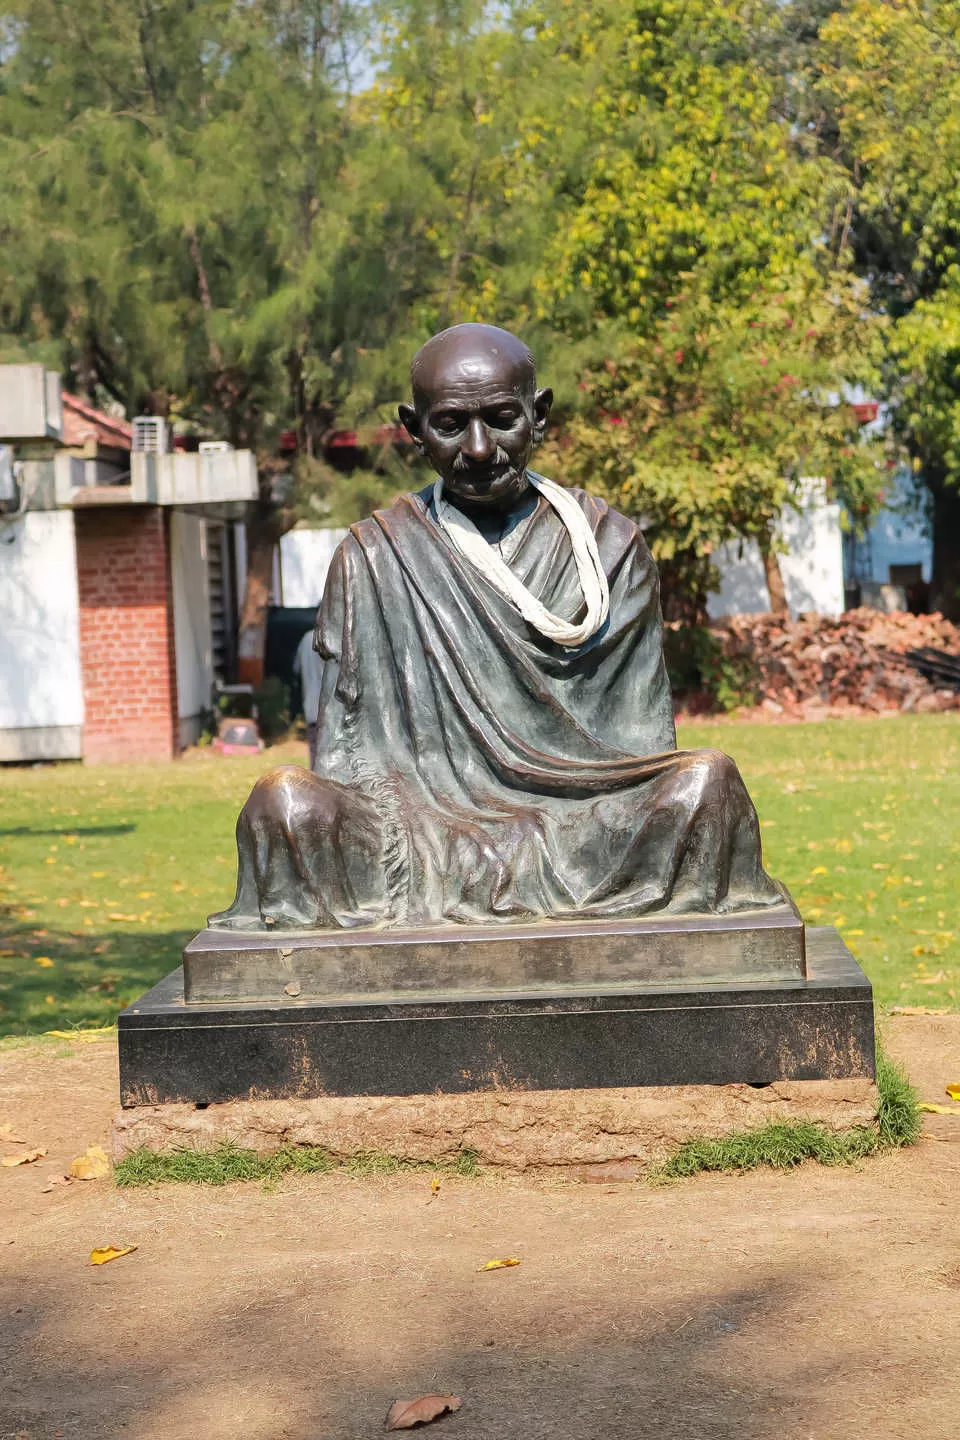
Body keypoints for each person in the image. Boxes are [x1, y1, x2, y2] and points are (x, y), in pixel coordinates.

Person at [210, 324, 782, 932]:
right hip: (421, 821)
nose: (480, 449)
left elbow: (640, 746)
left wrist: (543, 820)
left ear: (540, 416)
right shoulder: (374, 555)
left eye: (502, 419)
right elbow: (346, 760)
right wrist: (440, 829)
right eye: (451, 425)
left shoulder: (610, 548)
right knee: (286, 801)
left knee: (707, 783)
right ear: (414, 430)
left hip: (585, 819)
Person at [293, 626, 324, 769]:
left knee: (315, 755)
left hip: (311, 707)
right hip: (331, 709)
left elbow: (296, 669)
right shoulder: (334, 639)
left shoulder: (306, 639)